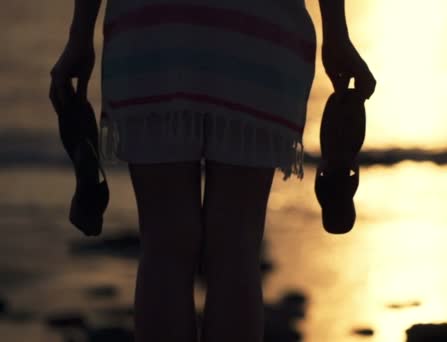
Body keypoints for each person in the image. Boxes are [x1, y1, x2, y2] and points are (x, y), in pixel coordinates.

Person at [50, 0, 375, 341]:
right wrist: (337, 36)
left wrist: (80, 35)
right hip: (260, 31)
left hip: (153, 30)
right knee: (237, 249)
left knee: (164, 246)